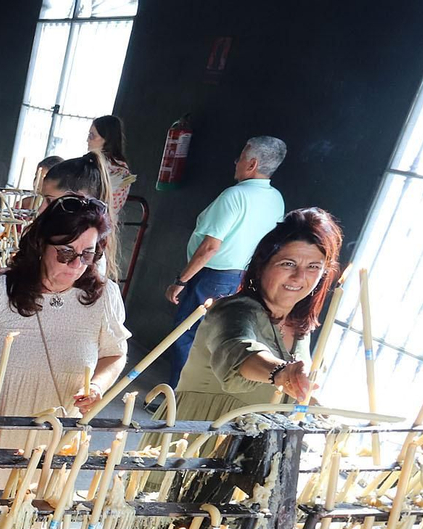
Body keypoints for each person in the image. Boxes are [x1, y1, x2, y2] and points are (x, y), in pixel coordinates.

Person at [0, 195, 129, 421]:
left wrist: (97, 387)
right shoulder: (1, 291)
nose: (76, 264)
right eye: (66, 252)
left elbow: (115, 353)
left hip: (62, 433)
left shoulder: (104, 296)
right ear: (41, 243)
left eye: (87, 254)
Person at [174, 208, 341, 422]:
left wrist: (316, 406)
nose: (299, 277)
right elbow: (238, 350)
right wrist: (281, 372)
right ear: (262, 265)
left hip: (256, 436)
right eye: (288, 264)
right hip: (201, 432)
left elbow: (293, 392)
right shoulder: (233, 310)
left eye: (313, 267)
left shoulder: (300, 326)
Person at [164, 136, 288, 386]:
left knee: (186, 335)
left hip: (213, 277)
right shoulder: (276, 198)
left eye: (241, 157)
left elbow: (210, 247)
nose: (236, 162)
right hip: (244, 277)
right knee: (217, 339)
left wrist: (181, 280)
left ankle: (175, 397)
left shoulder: (234, 195)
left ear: (252, 164)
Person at [87, 115, 136, 218]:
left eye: (92, 136)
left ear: (107, 139)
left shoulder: (119, 172)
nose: (87, 140)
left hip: (96, 222)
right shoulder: (91, 162)